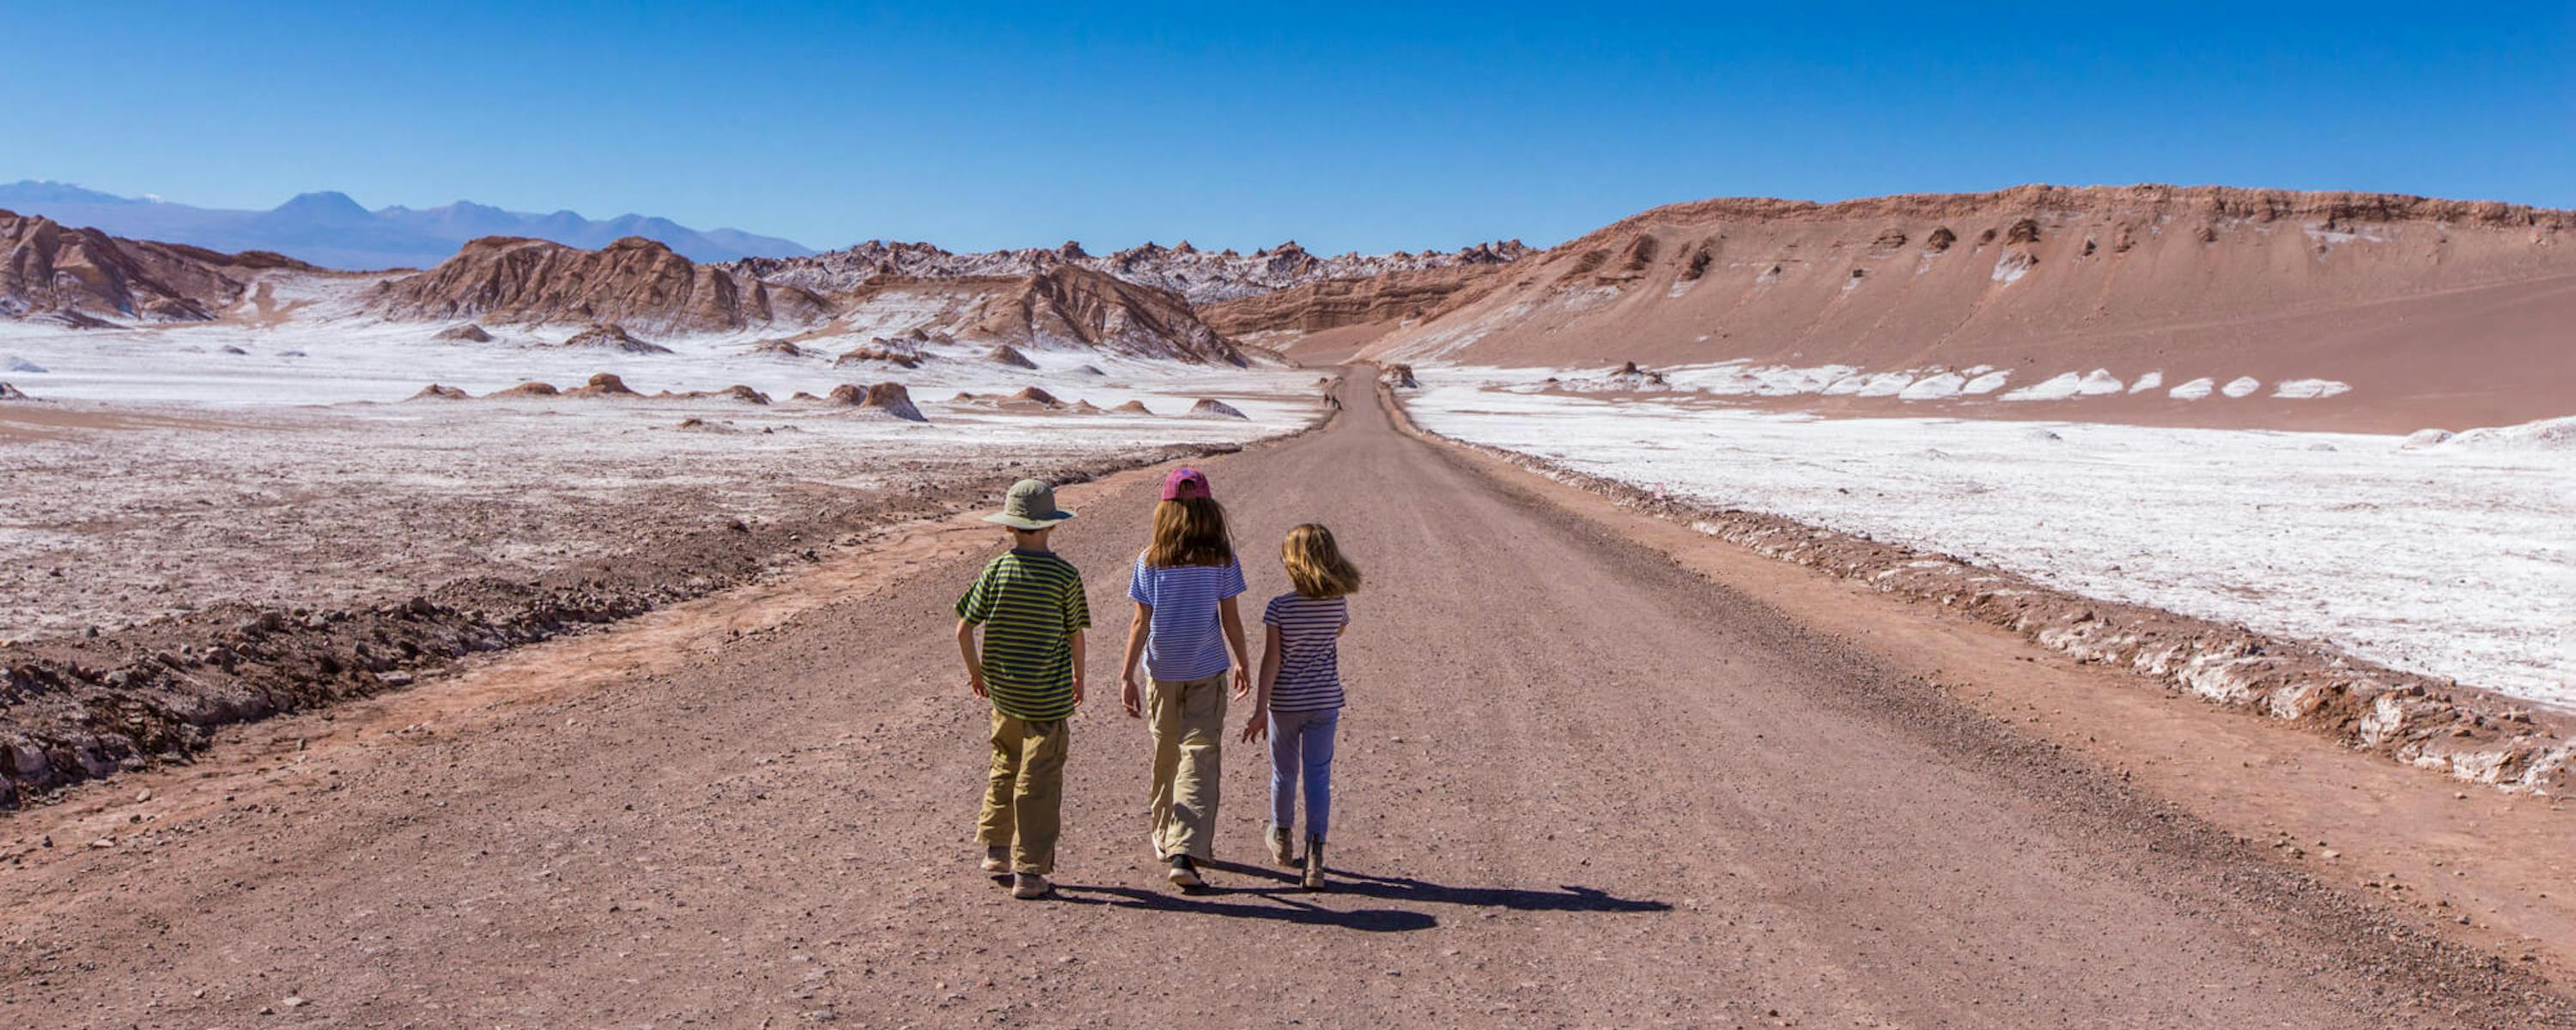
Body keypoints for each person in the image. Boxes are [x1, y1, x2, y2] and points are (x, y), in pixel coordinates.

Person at [955, 479, 1090, 900]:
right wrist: (1079, 678)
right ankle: (1029, 871)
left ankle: (997, 851)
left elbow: (963, 628)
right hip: (1047, 698)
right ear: (1051, 526)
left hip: (1004, 694)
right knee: (1039, 777)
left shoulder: (996, 570)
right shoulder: (1065, 575)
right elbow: (1076, 635)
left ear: (1010, 527)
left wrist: (976, 672)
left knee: (1004, 763)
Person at [1119, 467, 1251, 890]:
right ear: (1209, 510)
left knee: (1167, 752)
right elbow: (1230, 616)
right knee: (1200, 753)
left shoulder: (1150, 559)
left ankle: (1164, 836)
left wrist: (1126, 675)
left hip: (1161, 670)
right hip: (1207, 666)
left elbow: (1141, 622)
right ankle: (1184, 848)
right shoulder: (1221, 558)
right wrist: (1243, 660)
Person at [1241, 523, 1361, 890]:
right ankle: (1316, 854)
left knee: (1284, 773)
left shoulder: (1279, 608)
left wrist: (1260, 708)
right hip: (1325, 701)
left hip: (1286, 702)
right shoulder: (1338, 603)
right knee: (1318, 776)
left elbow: (1271, 660)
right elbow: (1337, 632)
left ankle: (1281, 837)